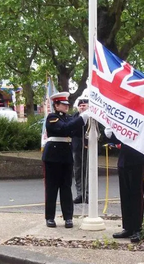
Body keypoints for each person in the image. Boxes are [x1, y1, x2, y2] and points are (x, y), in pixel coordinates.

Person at [42, 92, 90, 228]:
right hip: (52, 155)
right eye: (63, 104)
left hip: (66, 156)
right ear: (56, 105)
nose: (66, 107)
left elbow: (75, 129)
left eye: (67, 104)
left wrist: (84, 114)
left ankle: (68, 217)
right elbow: (64, 129)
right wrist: (82, 118)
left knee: (66, 188)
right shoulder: (52, 118)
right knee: (51, 188)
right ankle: (49, 217)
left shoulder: (68, 118)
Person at [104, 128, 144, 243]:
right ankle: (128, 227)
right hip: (124, 159)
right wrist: (110, 133)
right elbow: (119, 139)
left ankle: (137, 228)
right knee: (125, 195)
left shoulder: (141, 117)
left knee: (136, 194)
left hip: (137, 159)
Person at [72, 98, 89, 204]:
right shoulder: (74, 117)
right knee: (77, 171)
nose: (82, 107)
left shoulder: (92, 117)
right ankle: (80, 194)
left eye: (84, 105)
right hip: (76, 147)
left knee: (87, 171)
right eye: (80, 105)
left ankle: (87, 194)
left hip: (88, 147)